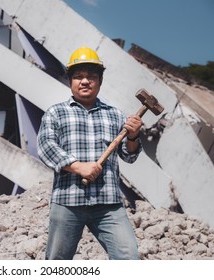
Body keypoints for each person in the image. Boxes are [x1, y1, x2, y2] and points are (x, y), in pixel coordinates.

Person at [37, 46, 143, 260]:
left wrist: (132, 136)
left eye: (91, 77)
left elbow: (129, 156)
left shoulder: (115, 115)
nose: (85, 81)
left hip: (108, 204)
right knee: (57, 262)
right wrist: (78, 166)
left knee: (129, 258)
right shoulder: (56, 113)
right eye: (78, 77)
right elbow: (46, 147)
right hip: (68, 201)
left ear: (100, 82)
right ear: (70, 82)